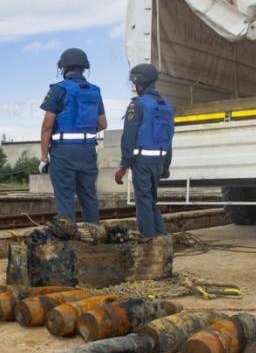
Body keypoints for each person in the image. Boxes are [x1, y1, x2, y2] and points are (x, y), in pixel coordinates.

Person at [39, 48, 108, 223]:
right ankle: (95, 236)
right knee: (89, 197)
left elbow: (47, 126)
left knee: (65, 197)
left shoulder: (58, 90)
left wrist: (43, 158)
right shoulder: (95, 91)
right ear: (84, 68)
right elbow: (102, 124)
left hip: (64, 153)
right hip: (87, 151)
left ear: (63, 67)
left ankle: (68, 242)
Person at [115, 63, 175, 239]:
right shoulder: (166, 106)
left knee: (143, 202)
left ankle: (148, 241)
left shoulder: (138, 105)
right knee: (151, 201)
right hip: (158, 162)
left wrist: (124, 165)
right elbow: (168, 137)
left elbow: (128, 137)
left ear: (140, 83)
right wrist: (166, 165)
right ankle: (162, 238)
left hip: (141, 161)